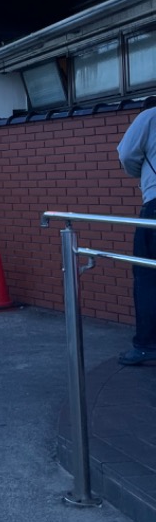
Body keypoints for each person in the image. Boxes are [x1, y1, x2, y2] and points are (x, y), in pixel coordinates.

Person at [117, 96, 156, 365]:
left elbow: (126, 153)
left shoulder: (150, 116)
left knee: (147, 276)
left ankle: (146, 345)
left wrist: (139, 174)